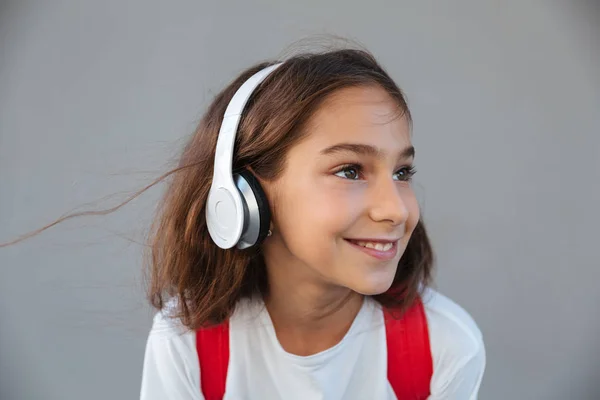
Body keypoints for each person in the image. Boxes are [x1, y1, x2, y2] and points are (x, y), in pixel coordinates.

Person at [135, 47, 485, 399]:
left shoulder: (443, 345)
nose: (396, 210)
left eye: (401, 172)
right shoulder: (187, 342)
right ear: (245, 196)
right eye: (350, 171)